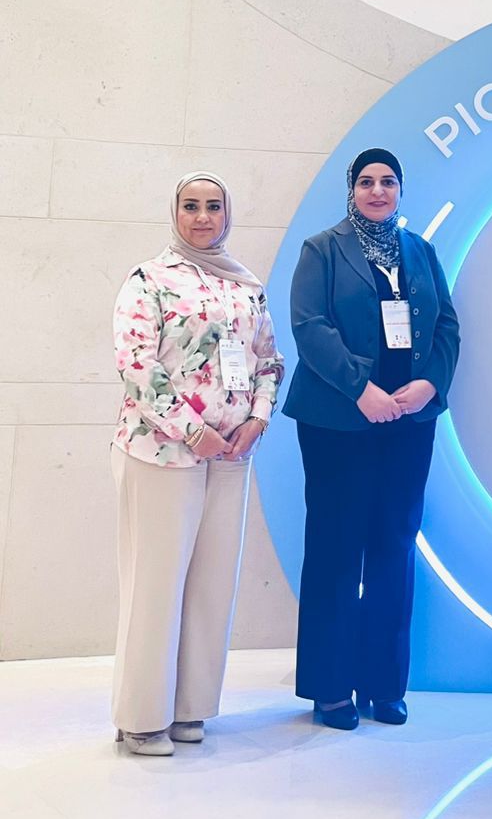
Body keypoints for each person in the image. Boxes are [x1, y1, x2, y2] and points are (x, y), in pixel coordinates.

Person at [283, 147, 460, 730]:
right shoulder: (322, 249)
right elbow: (310, 327)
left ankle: (385, 685)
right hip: (339, 421)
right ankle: (331, 689)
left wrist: (430, 384)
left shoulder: (420, 251)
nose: (378, 191)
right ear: (351, 190)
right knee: (336, 549)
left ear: (401, 190)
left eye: (388, 181)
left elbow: (447, 324)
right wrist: (362, 390)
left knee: (394, 547)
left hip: (408, 423)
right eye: (366, 182)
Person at [111, 173, 282, 755]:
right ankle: (142, 717)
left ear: (227, 214)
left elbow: (268, 360)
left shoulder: (246, 285)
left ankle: (190, 708)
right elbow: (137, 364)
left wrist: (258, 418)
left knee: (211, 586)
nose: (203, 217)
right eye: (191, 206)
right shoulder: (149, 280)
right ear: (175, 213)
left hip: (232, 456)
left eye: (213, 206)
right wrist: (193, 430)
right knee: (156, 585)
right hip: (161, 454)